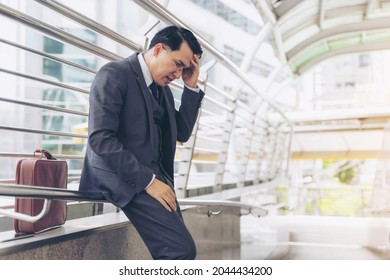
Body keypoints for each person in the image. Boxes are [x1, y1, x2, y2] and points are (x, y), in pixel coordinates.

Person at [79, 25, 204, 260]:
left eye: (184, 69)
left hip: (156, 178)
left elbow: (183, 132)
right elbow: (100, 139)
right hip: (125, 177)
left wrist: (190, 86)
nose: (179, 74)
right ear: (158, 49)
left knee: (178, 250)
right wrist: (148, 181)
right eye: (178, 64)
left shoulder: (163, 89)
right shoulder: (114, 73)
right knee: (180, 251)